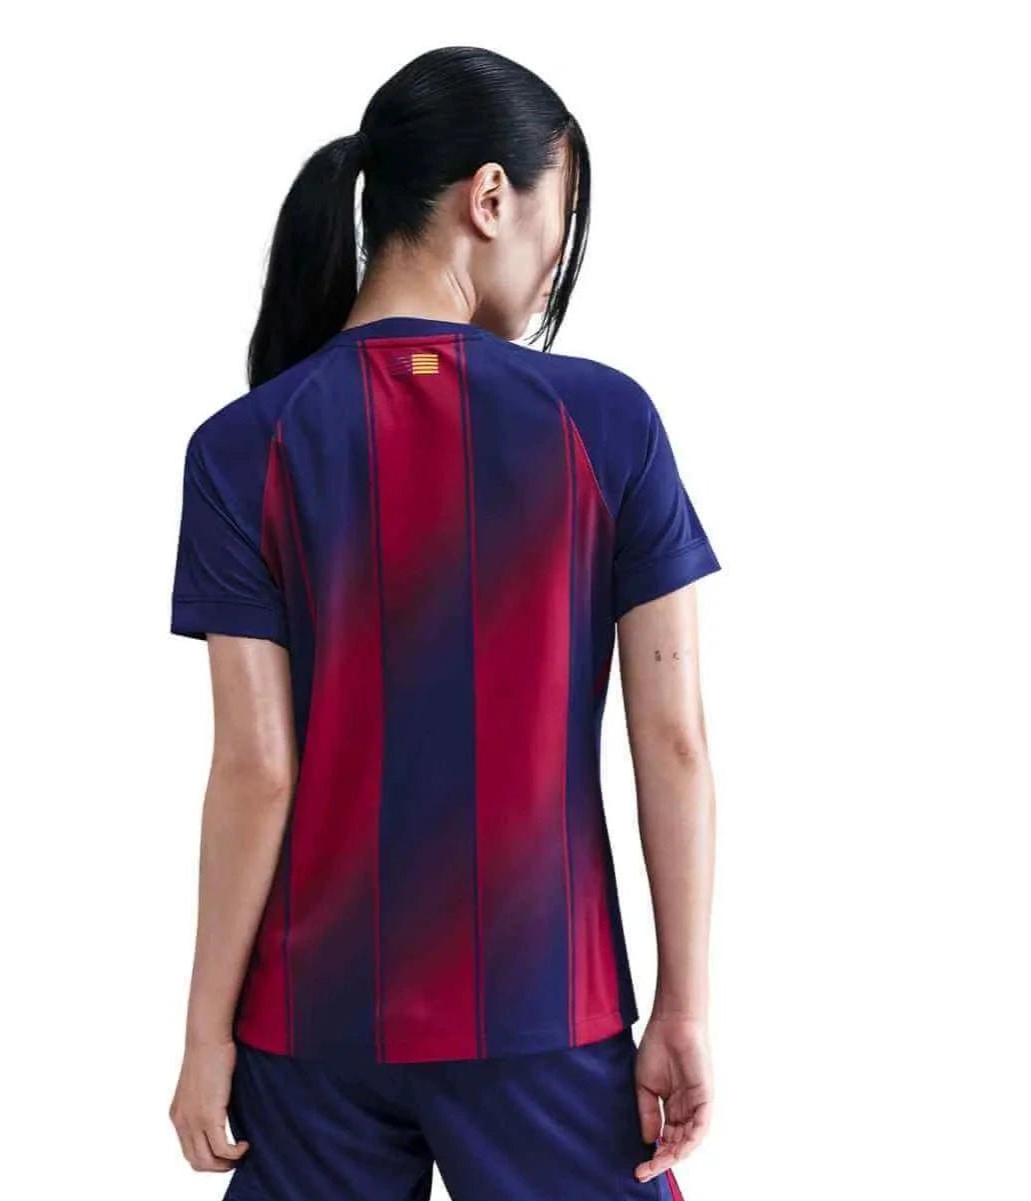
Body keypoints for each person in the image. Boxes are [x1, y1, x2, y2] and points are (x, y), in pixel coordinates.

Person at [168, 45, 719, 1201]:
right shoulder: (604, 423)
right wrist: (682, 1002)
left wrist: (207, 1032)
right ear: (490, 197)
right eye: (561, 212)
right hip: (540, 1004)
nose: (559, 255)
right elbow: (670, 741)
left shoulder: (243, 447)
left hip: (311, 1021)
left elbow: (255, 769)